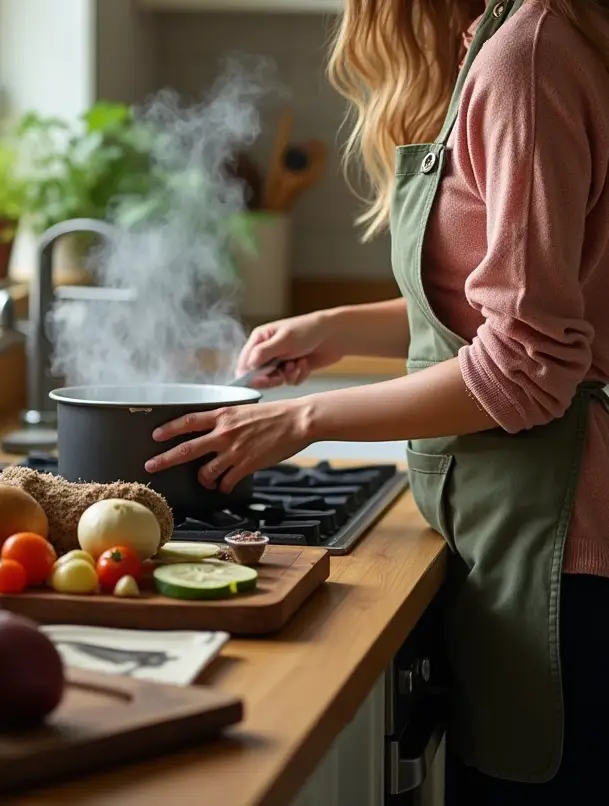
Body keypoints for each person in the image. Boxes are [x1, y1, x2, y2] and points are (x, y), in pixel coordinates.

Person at [146, 1, 609, 802]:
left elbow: (528, 365)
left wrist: (301, 418)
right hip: (520, 528)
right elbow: (524, 301)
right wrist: (341, 327)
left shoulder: (526, 56)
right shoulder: (519, 39)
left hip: (560, 548)